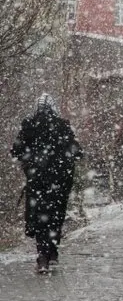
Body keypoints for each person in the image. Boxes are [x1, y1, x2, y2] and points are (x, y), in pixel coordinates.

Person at [10, 93, 83, 273]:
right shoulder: (62, 126)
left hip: (37, 180)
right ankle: (52, 250)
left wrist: (31, 160)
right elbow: (76, 151)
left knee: (40, 215)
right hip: (59, 180)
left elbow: (16, 150)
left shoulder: (29, 125)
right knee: (56, 214)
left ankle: (43, 255)